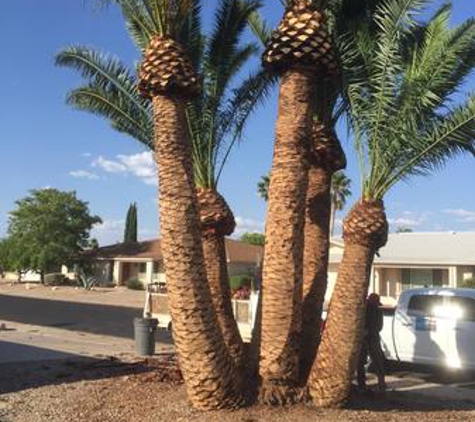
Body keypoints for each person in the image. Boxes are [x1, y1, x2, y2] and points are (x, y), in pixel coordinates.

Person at [357, 293, 387, 393]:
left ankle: (365, 385)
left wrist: (367, 331)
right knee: (367, 361)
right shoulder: (374, 310)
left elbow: (379, 327)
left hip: (369, 338)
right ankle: (377, 384)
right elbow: (379, 327)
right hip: (370, 338)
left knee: (363, 362)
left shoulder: (370, 310)